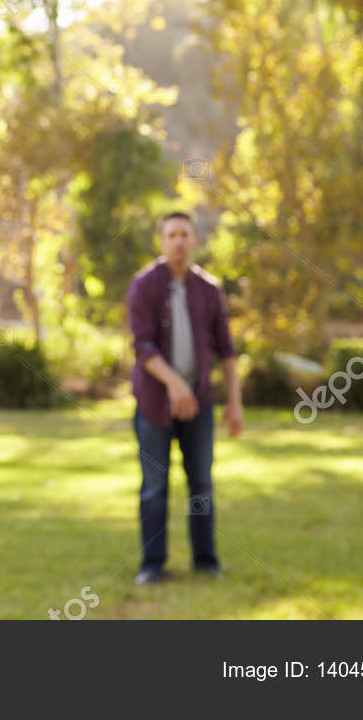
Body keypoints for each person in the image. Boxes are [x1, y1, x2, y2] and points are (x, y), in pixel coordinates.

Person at [128, 210, 243, 584]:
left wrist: (235, 402)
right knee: (154, 487)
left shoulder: (209, 289)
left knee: (202, 485)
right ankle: (152, 565)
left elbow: (226, 349)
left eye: (184, 234)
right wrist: (175, 383)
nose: (178, 241)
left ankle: (206, 561)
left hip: (200, 404)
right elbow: (142, 346)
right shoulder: (144, 285)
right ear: (162, 241)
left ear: (194, 240)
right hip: (154, 405)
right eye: (171, 234)